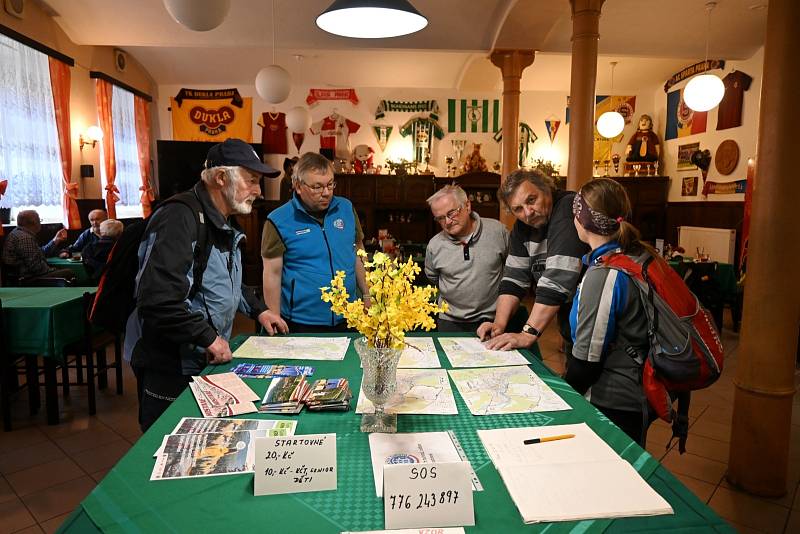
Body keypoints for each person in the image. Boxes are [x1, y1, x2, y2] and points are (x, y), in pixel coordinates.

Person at [125, 138, 288, 431]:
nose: (258, 191)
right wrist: (207, 336)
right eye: (251, 180)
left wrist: (259, 310)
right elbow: (158, 300)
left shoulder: (227, 220)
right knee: (171, 444)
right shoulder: (179, 217)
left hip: (204, 360)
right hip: (170, 365)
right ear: (221, 178)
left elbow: (228, 282)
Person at [564, 178, 656, 445]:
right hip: (635, 392)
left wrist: (561, 394)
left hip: (613, 399)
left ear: (582, 220)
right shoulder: (637, 255)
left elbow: (587, 360)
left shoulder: (606, 273)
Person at [479, 169, 588, 353]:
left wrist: (527, 334)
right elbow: (514, 280)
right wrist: (498, 325)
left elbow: (558, 278)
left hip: (601, 321)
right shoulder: (521, 228)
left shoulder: (567, 207)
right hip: (572, 321)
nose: (528, 213)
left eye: (531, 200)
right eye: (518, 209)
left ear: (546, 188)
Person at [261, 152, 369, 332]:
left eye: (330, 184)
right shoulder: (278, 220)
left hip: (349, 316)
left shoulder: (346, 208)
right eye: (317, 187)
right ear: (298, 186)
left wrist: (367, 293)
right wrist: (274, 317)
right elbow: (272, 274)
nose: (326, 193)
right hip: (302, 322)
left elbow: (358, 253)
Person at [424, 184, 509, 332]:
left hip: (493, 320)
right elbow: (433, 277)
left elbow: (512, 270)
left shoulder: (498, 231)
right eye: (440, 218)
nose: (448, 222)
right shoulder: (435, 245)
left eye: (451, 213)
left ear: (467, 206)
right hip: (449, 321)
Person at [1, 210, 75, 282]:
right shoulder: (25, 238)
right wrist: (53, 270)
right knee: (68, 272)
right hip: (27, 279)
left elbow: (40, 253)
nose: (40, 223)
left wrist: (55, 240)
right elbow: (36, 268)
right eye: (39, 220)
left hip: (21, 276)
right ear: (34, 223)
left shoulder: (17, 233)